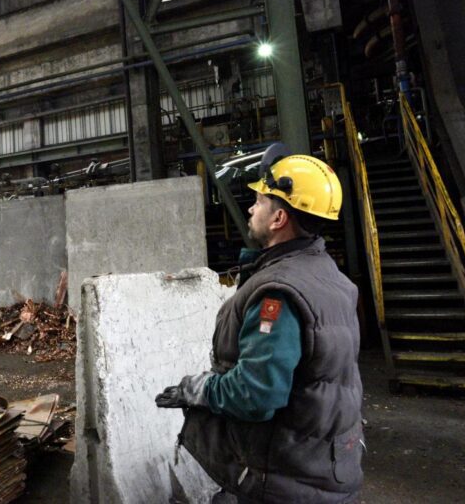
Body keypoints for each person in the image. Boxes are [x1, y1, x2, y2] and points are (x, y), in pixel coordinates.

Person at [155, 143, 364, 503]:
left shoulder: (278, 294)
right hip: (327, 462)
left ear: (279, 219)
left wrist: (199, 389)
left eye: (260, 201)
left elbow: (257, 394)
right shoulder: (331, 277)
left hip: (287, 478)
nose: (251, 208)